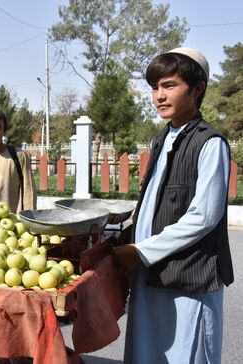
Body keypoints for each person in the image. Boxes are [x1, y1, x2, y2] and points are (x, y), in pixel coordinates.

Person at [113, 48, 234, 363]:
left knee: (186, 353)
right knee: (148, 352)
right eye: (155, 88)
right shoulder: (161, 139)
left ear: (198, 89)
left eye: (169, 85)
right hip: (152, 273)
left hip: (189, 279)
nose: (158, 96)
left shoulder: (210, 143)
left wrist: (143, 251)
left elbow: (204, 217)